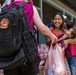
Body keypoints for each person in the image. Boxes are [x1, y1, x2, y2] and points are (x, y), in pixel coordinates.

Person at [4, 0, 58, 75]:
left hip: (9, 55)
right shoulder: (29, 7)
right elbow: (42, 28)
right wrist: (52, 35)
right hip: (28, 53)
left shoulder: (6, 9)